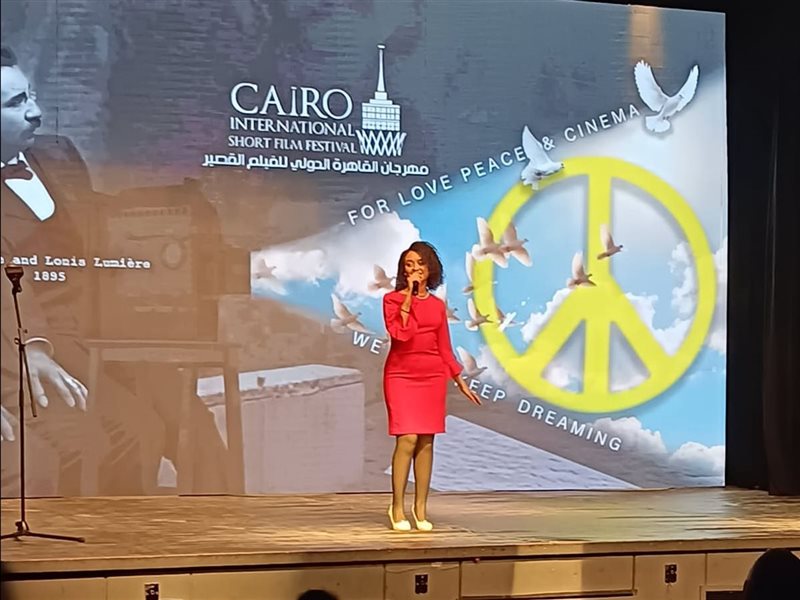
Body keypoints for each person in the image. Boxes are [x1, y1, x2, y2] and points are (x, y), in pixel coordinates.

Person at [382, 241, 481, 531]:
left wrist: (459, 380)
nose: (414, 269)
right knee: (407, 438)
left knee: (426, 441)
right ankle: (397, 507)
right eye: (409, 264)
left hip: (432, 377)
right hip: (401, 376)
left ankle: (421, 507)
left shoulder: (438, 306)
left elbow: (444, 347)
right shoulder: (391, 300)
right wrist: (409, 298)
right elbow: (401, 334)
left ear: (430, 269)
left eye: (420, 264)